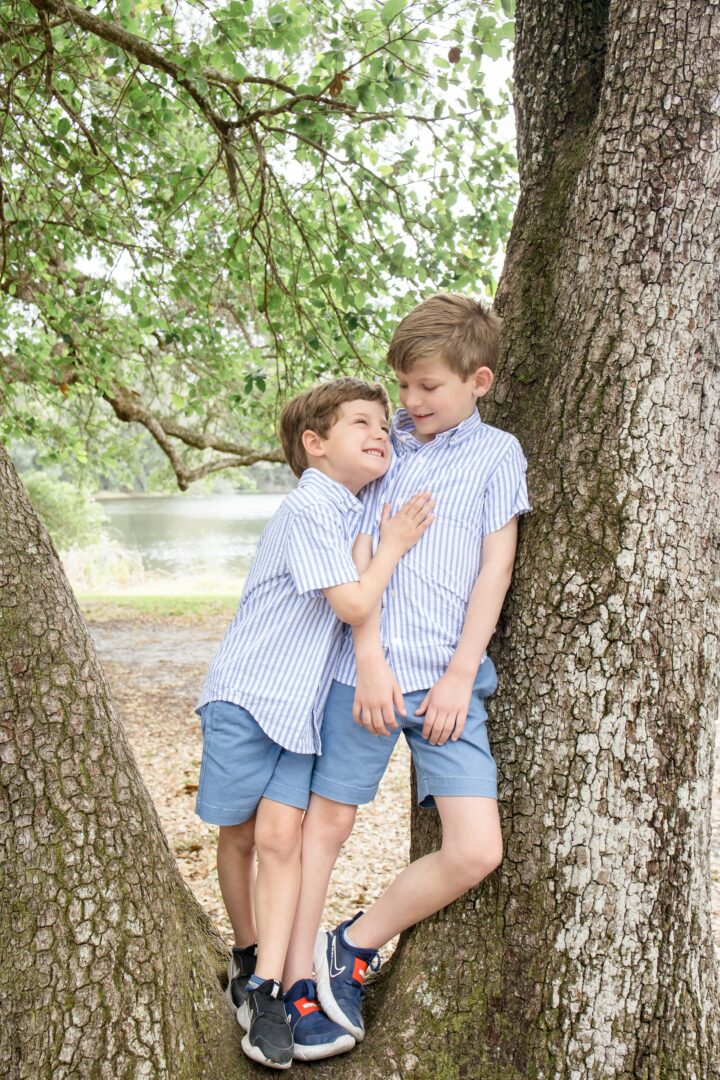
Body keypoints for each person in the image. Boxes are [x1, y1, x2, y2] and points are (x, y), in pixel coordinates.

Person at [282, 294, 531, 1046]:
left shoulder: (497, 455)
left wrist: (459, 675)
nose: (412, 400)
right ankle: (293, 983)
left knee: (476, 849)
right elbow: (358, 553)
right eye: (403, 385)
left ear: (478, 382)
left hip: (447, 683)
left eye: (428, 386)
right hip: (364, 674)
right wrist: (368, 660)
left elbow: (495, 570)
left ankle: (350, 945)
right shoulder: (383, 447)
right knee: (326, 826)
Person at [194, 376, 434, 1070]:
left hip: (298, 713)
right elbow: (354, 605)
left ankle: (268, 988)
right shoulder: (309, 508)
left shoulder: (349, 510)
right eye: (362, 422)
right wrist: (393, 546)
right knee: (241, 835)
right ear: (315, 443)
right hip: (248, 695)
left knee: (280, 838)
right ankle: (247, 955)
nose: (381, 432)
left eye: (386, 424)